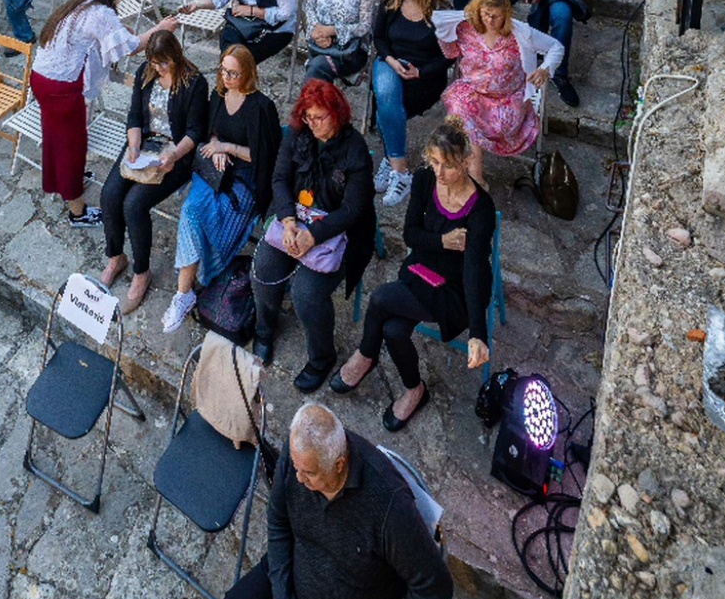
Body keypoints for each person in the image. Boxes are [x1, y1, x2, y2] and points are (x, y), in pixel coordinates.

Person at [206, 400, 453, 599]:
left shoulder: (390, 509)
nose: (298, 478)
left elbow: (435, 588)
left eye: (308, 473)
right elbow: (279, 521)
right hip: (300, 580)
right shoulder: (298, 461)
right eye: (295, 467)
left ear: (339, 464)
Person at [331, 122, 494, 431]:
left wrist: (478, 332)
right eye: (434, 162)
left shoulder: (480, 208)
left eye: (447, 165)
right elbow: (410, 235)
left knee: (379, 299)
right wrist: (442, 242)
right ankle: (414, 390)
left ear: (464, 161)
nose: (439, 172)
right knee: (393, 331)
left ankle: (365, 355)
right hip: (420, 271)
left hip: (453, 289)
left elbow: (474, 269)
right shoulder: (423, 180)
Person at [249, 81, 373, 389]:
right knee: (262, 267)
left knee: (307, 294)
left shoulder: (355, 149)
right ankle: (264, 329)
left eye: (320, 117)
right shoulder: (298, 135)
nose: (313, 124)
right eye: (308, 117)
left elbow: (353, 210)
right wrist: (288, 219)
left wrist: (313, 236)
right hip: (295, 219)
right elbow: (279, 178)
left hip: (337, 233)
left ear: (337, 114)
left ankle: (322, 357)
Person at [159, 46, 281, 336]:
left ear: (248, 73)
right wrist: (215, 147)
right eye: (223, 70)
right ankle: (184, 294)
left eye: (233, 73)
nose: (226, 77)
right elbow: (211, 131)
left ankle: (192, 282)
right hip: (215, 171)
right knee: (190, 211)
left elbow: (264, 154)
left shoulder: (261, 107)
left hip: (245, 179)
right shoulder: (219, 95)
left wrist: (227, 147)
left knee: (208, 218)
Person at [30, 0, 156, 227]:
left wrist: (122, 30)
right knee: (72, 149)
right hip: (61, 89)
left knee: (56, 139)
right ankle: (78, 213)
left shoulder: (81, 0)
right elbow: (131, 47)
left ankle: (63, 182)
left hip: (41, 78)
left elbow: (103, 36)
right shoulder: (102, 14)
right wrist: (159, 29)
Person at [98, 29, 208, 315]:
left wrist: (173, 154)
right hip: (144, 146)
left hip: (176, 153)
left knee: (134, 205)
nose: (158, 68)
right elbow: (134, 116)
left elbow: (196, 131)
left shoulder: (195, 83)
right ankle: (116, 257)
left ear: (175, 56)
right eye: (154, 63)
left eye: (163, 63)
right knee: (109, 195)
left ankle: (141, 272)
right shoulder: (145, 74)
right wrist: (133, 143)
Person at [436, 0, 562, 181]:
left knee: (475, 127)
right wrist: (442, 35)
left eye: (497, 16)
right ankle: (477, 179)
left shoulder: (519, 33)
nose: (491, 20)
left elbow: (556, 47)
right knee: (459, 111)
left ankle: (466, 175)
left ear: (506, 15)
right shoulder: (465, 28)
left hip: (508, 99)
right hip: (473, 92)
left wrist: (545, 68)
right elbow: (450, 53)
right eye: (486, 14)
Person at [371, 0, 449, 206]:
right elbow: (379, 38)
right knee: (386, 92)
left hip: (423, 76)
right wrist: (392, 60)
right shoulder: (389, 2)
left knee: (387, 107)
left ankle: (389, 158)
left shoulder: (440, 10)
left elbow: (449, 55)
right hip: (390, 63)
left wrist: (421, 72)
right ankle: (402, 172)